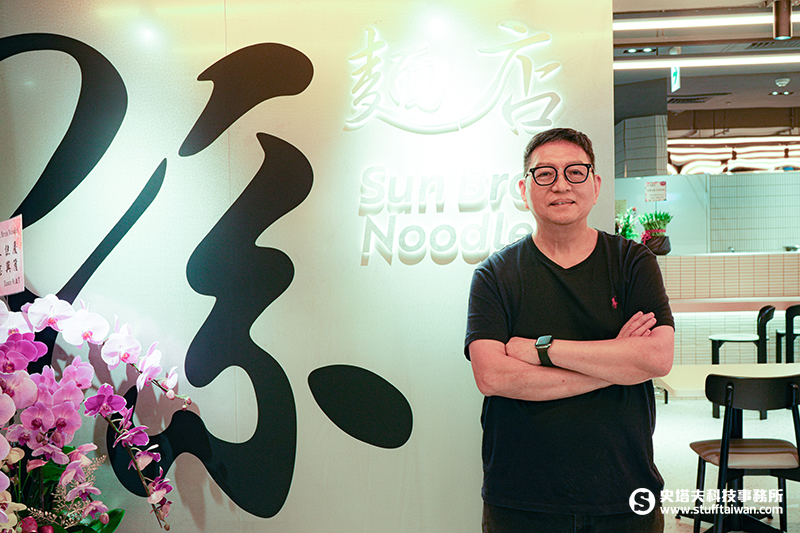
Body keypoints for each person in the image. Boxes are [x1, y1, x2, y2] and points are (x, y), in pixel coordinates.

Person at [464, 127, 674, 532]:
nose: (561, 185)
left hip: (624, 492)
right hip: (521, 499)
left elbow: (656, 358)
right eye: (545, 174)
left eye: (575, 172)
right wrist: (615, 364)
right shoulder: (495, 275)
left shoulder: (633, 263)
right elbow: (492, 376)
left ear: (595, 185)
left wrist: (541, 350)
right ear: (524, 189)